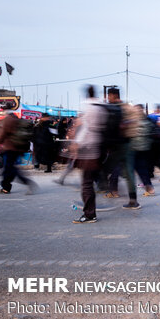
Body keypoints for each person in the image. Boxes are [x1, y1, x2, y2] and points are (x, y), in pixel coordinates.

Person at [72, 86, 107, 223]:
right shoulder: (102, 107)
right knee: (91, 179)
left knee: (86, 183)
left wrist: (77, 143)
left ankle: (89, 214)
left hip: (89, 149)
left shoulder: (89, 108)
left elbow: (86, 129)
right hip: (100, 147)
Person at [103, 88, 140, 210]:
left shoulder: (119, 108)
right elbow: (136, 123)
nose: (108, 98)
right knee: (128, 172)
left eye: (109, 96)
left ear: (113, 95)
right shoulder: (127, 107)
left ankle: (104, 188)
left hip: (121, 144)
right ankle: (133, 200)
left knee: (106, 168)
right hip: (129, 143)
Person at [0, 104, 37, 194]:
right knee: (8, 169)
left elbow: (3, 134)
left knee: (11, 169)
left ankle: (27, 182)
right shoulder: (15, 118)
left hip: (10, 149)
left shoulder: (8, 120)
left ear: (4, 110)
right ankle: (6, 187)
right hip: (17, 148)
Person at [130, 104, 155, 196]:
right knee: (142, 167)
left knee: (134, 168)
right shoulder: (147, 120)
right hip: (145, 148)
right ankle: (149, 186)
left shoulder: (134, 121)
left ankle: (132, 196)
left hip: (135, 148)